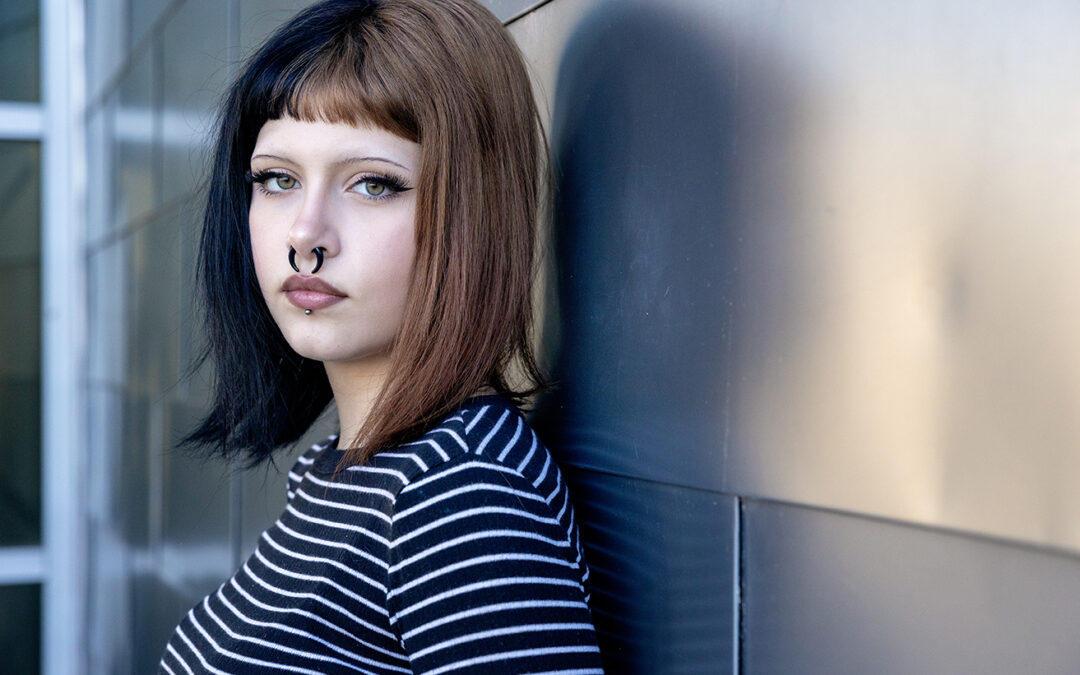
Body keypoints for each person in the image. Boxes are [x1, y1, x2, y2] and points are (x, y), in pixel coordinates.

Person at [157, 1, 602, 672]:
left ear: (469, 210)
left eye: (372, 184)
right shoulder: (346, 468)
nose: (305, 235)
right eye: (278, 179)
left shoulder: (461, 490)